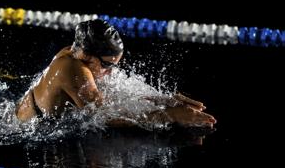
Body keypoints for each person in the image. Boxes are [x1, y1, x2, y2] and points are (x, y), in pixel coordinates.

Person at [15, 19, 216, 130]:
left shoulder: (76, 53)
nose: (110, 72)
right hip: (27, 129)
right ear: (87, 55)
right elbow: (107, 117)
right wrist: (170, 116)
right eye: (106, 65)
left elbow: (116, 102)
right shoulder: (73, 70)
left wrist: (165, 100)